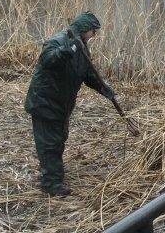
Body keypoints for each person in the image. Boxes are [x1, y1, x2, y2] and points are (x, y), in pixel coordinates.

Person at [25, 12, 116, 196]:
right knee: (49, 143)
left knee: (58, 139)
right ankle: (51, 184)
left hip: (61, 104)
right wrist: (68, 50)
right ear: (84, 29)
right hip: (45, 102)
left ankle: (52, 174)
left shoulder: (81, 46)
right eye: (93, 31)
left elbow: (87, 74)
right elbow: (47, 60)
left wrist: (103, 89)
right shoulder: (59, 41)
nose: (94, 35)